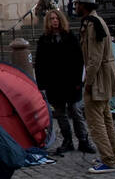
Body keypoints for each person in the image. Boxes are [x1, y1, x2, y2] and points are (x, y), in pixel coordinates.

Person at [33, 10, 94, 156]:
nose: (55, 21)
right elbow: (40, 64)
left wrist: (79, 80)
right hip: (54, 83)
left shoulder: (70, 37)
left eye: (57, 18)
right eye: (52, 19)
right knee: (60, 113)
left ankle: (83, 139)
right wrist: (42, 85)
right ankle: (67, 140)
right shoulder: (44, 40)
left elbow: (78, 60)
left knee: (75, 111)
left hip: (71, 82)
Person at [76, 0, 115, 173]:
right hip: (104, 75)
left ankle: (108, 159)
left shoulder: (92, 24)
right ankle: (111, 154)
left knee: (95, 121)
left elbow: (94, 58)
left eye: (78, 4)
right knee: (106, 118)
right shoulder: (96, 21)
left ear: (84, 5)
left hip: (98, 78)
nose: (75, 7)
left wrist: (88, 81)